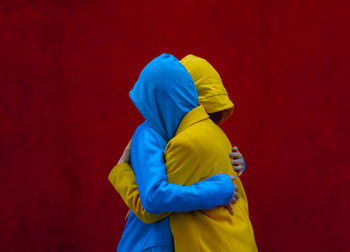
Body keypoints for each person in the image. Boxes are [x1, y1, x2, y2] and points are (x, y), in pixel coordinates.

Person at [109, 54, 258, 251]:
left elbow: (159, 196)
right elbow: (152, 202)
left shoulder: (183, 135)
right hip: (150, 242)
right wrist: (218, 190)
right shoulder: (151, 134)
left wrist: (235, 164)